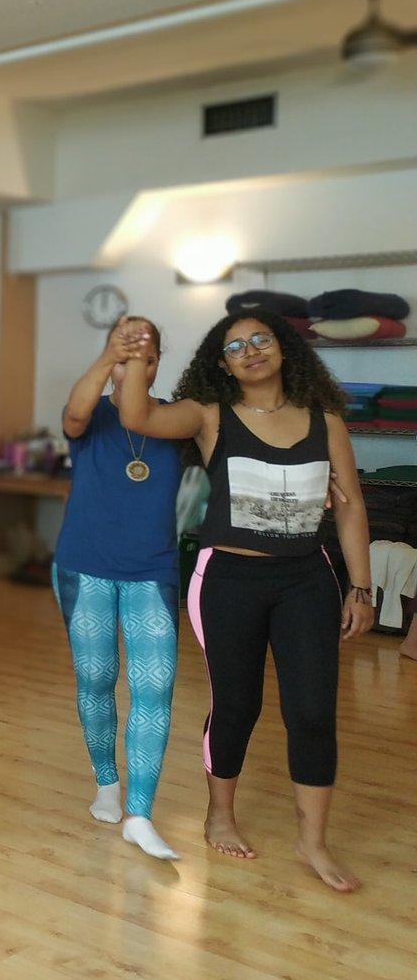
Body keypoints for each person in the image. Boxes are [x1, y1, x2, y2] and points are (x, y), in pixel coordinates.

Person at [118, 309, 373, 892]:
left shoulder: (325, 420)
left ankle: (313, 842)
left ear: (284, 349)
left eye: (261, 339)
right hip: (228, 580)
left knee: (312, 713)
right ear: (223, 363)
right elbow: (138, 415)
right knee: (237, 705)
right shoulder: (210, 414)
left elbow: (352, 505)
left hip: (306, 578)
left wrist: (360, 586)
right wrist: (130, 354)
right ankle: (219, 813)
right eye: (236, 347)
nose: (251, 350)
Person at [53, 317, 183, 862]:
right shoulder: (93, 415)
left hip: (153, 570)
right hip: (86, 567)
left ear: (157, 366)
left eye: (145, 358)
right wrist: (110, 355)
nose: (135, 368)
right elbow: (73, 413)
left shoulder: (176, 421)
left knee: (155, 688)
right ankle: (106, 782)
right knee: (97, 678)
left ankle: (141, 814)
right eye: (124, 360)